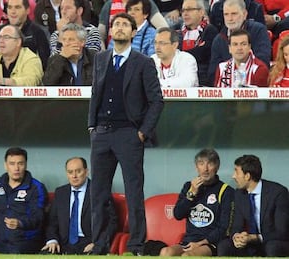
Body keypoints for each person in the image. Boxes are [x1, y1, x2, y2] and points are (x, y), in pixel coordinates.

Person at [88, 12, 164, 255]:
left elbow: (156, 101)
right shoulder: (100, 59)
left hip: (129, 134)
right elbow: (95, 94)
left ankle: (136, 245)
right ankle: (99, 244)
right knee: (98, 193)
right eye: (116, 24)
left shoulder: (143, 62)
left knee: (134, 191)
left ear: (133, 32)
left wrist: (142, 132)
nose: (119, 28)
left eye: (124, 25)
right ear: (111, 31)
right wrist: (92, 126)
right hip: (101, 134)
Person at [0, 147, 48, 254]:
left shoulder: (36, 188)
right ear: (5, 165)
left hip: (26, 244)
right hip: (0, 244)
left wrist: (20, 223)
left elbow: (38, 218)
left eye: (20, 163)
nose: (16, 168)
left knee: (16, 252)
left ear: (26, 165)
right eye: (12, 163)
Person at [159, 149, 234, 256]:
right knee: (166, 252)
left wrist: (201, 243)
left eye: (210, 164)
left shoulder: (226, 191)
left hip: (210, 243)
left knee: (187, 256)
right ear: (196, 167)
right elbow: (178, 215)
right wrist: (191, 194)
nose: (205, 169)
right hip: (188, 241)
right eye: (201, 164)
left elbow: (224, 227)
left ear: (217, 167)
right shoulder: (189, 186)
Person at [41, 157, 117, 255]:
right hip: (64, 243)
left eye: (78, 171)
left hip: (90, 242)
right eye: (70, 172)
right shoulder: (61, 193)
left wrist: (98, 243)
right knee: (45, 254)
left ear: (86, 172)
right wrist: (52, 240)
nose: (74, 176)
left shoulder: (99, 191)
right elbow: (52, 222)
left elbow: (112, 222)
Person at [217, 154, 289, 256]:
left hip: (273, 241)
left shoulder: (278, 192)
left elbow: (282, 231)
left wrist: (255, 237)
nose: (233, 176)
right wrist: (237, 237)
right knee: (224, 245)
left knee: (272, 246)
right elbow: (236, 226)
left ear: (247, 176)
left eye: (236, 172)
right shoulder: (239, 194)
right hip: (250, 243)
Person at [208, 0, 271, 84]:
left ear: (244, 14)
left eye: (234, 14)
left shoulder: (258, 30)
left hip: (254, 85)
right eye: (226, 14)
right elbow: (213, 72)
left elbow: (263, 61)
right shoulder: (218, 39)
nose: (230, 19)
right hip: (226, 88)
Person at [0, 0, 50, 69]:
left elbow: (44, 64)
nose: (13, 12)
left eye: (17, 7)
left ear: (27, 10)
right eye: (10, 7)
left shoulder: (38, 33)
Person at [179, 0, 218, 86]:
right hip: (179, 79)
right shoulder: (178, 34)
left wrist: (181, 55)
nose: (185, 13)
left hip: (202, 80)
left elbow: (203, 55)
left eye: (189, 9)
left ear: (201, 12)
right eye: (183, 10)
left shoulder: (210, 31)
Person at [98, 0, 168, 46]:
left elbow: (163, 27)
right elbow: (100, 35)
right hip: (115, 46)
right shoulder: (109, 4)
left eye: (136, 9)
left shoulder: (145, 2)